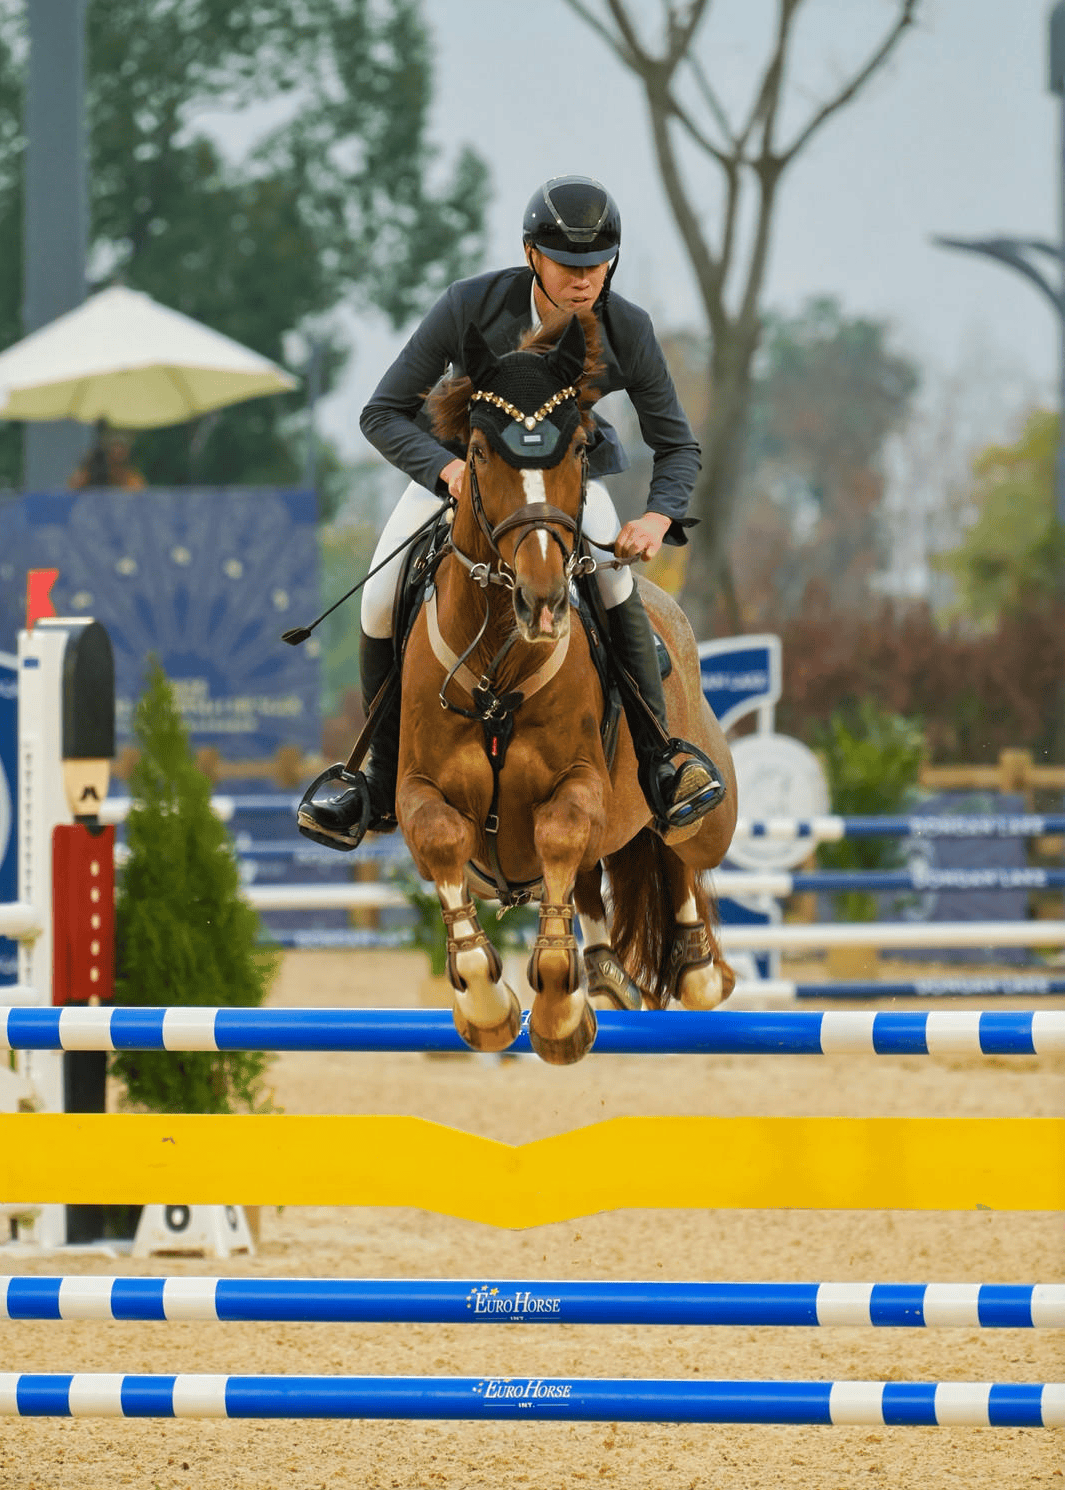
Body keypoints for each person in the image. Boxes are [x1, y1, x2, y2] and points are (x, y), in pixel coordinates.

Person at [299, 174, 720, 850]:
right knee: (378, 597)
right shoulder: (469, 306)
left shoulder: (627, 328)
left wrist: (657, 517)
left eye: (598, 264)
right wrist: (447, 470)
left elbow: (677, 444)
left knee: (615, 588)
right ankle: (375, 777)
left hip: (560, 483)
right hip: (460, 475)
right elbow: (381, 412)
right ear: (531, 255)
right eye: (568, 264)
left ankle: (660, 760)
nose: (584, 278)